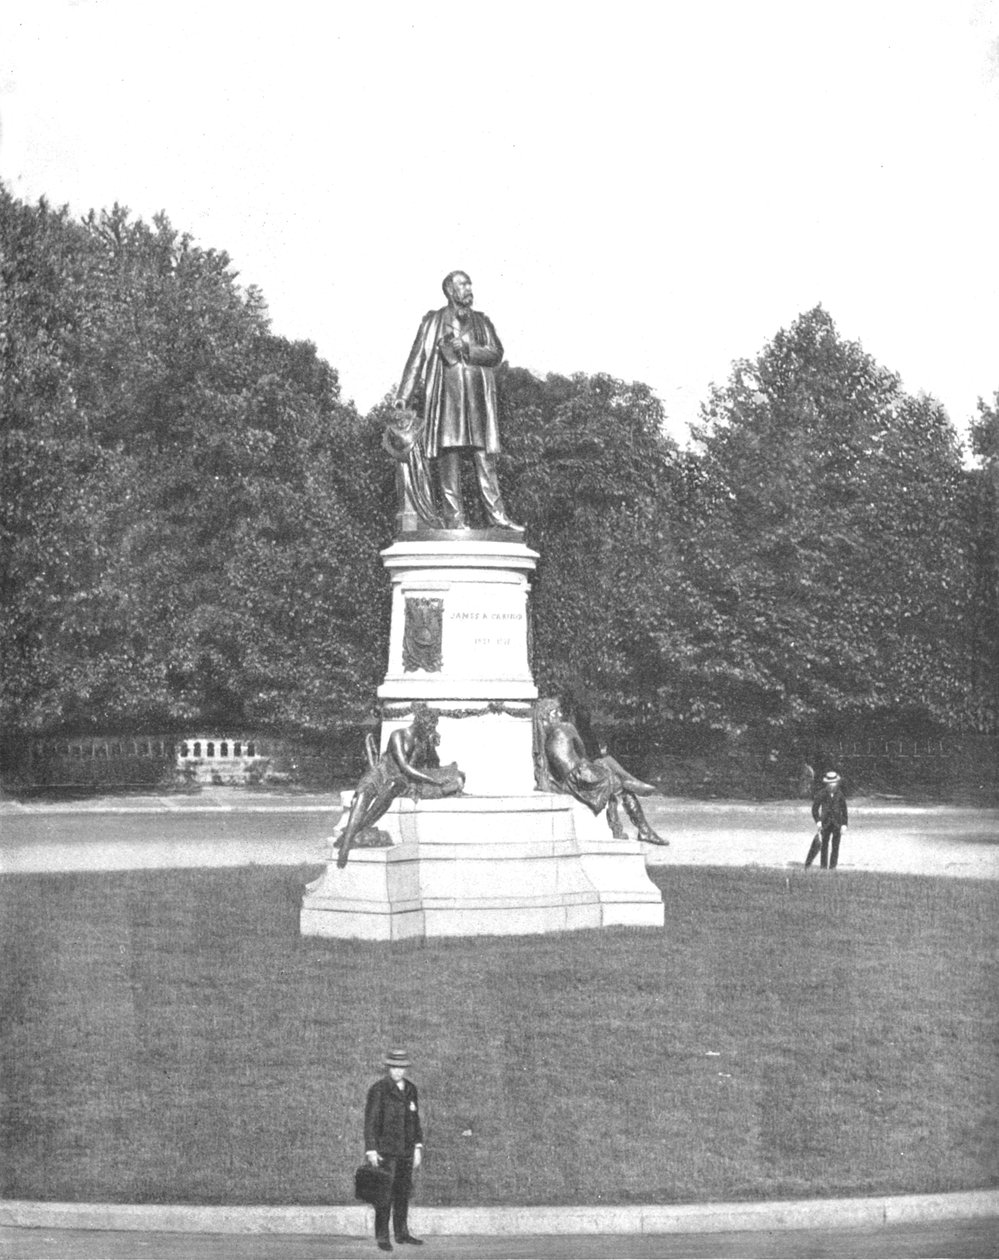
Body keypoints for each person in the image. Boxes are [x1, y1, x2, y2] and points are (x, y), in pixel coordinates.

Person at [391, 270, 523, 532]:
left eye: (470, 284)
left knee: (484, 457)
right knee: (448, 457)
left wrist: (469, 350)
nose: (469, 288)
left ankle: (497, 517)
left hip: (477, 400)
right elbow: (416, 359)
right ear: (450, 291)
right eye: (463, 284)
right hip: (446, 399)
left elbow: (496, 353)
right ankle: (455, 520)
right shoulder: (433, 322)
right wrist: (403, 397)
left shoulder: (482, 322)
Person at [336, 705, 464, 869]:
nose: (430, 730)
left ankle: (348, 835)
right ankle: (346, 845)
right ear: (419, 724)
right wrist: (433, 781)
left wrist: (432, 746)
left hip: (400, 778)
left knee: (391, 789)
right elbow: (404, 765)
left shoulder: (422, 741)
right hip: (382, 771)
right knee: (364, 792)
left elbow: (431, 765)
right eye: (429, 728)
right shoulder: (398, 734)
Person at [533, 698, 668, 846]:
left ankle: (631, 785)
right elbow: (582, 751)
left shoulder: (543, 738)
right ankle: (643, 827)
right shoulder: (566, 727)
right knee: (613, 774)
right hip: (580, 777)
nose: (559, 715)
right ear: (546, 715)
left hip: (570, 781)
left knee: (607, 767)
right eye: (555, 712)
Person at [364, 1049, 425, 1250]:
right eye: (394, 1067)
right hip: (386, 1152)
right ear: (388, 1068)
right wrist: (372, 1150)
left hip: (406, 1151)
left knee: (403, 1193)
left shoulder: (411, 1089)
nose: (398, 1072)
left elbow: (415, 1121)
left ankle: (402, 1233)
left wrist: (417, 1147)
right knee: (384, 1195)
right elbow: (371, 1122)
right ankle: (382, 1236)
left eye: (401, 1068)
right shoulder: (379, 1089)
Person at [806, 770, 849, 868]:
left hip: (837, 823)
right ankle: (823, 866)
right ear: (827, 783)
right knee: (824, 846)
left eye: (834, 783)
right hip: (825, 823)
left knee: (835, 846)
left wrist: (844, 824)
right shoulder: (821, 794)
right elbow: (814, 809)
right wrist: (818, 822)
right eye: (830, 783)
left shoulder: (840, 794)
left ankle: (833, 866)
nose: (832, 785)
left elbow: (844, 810)